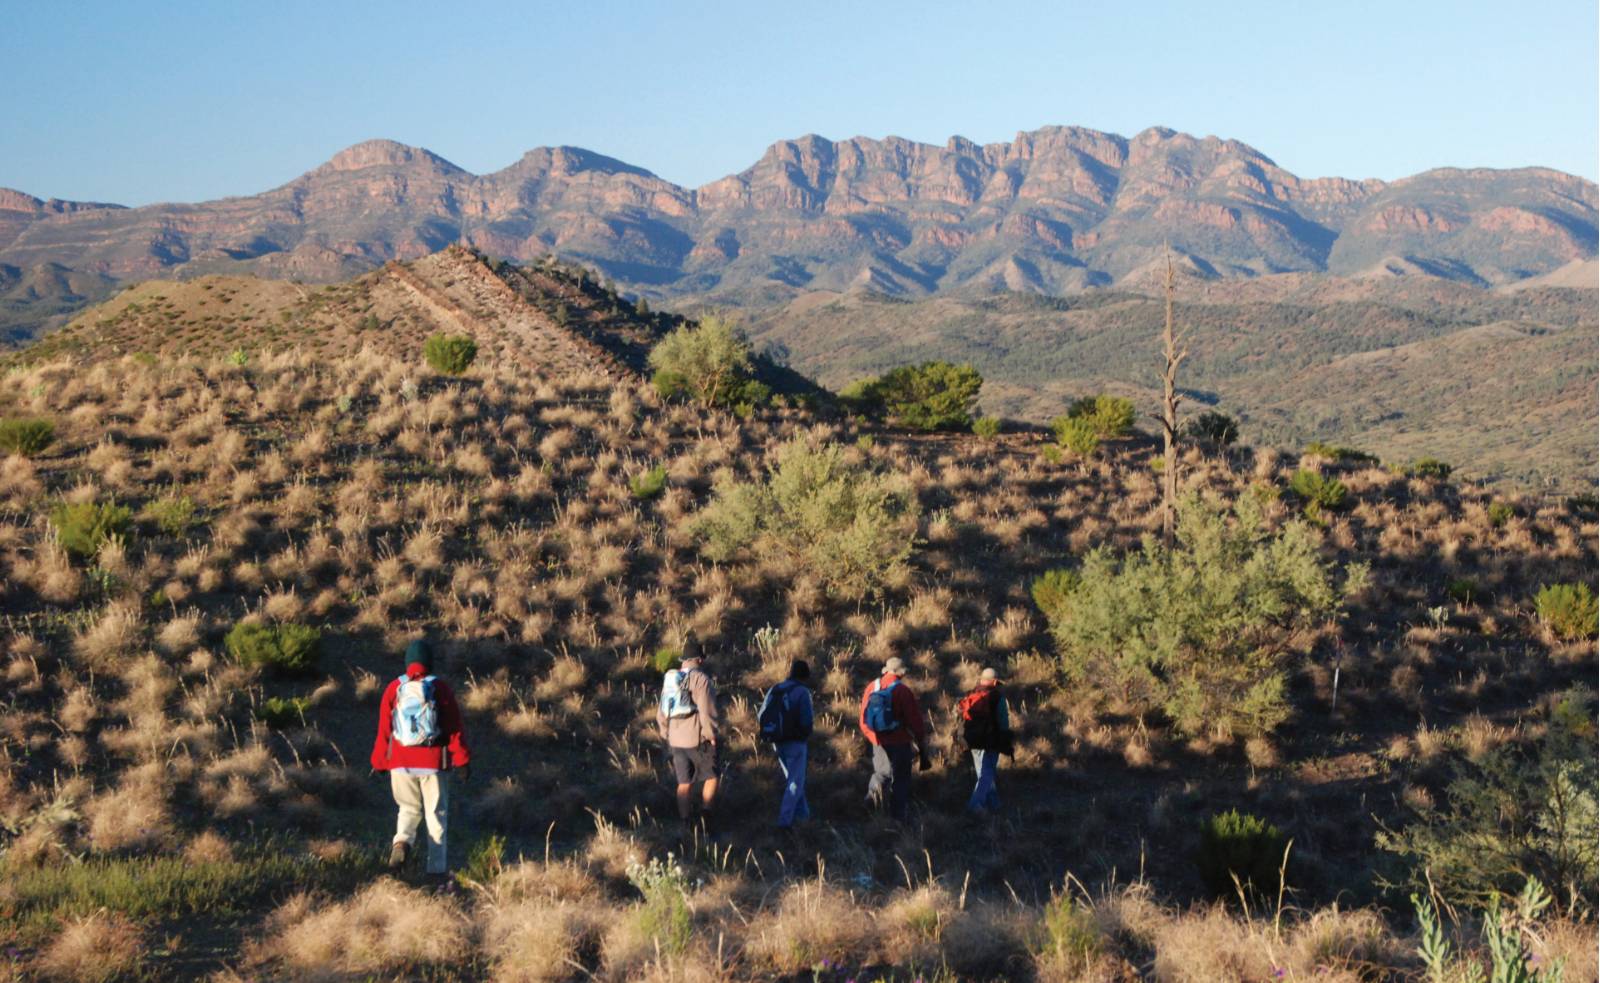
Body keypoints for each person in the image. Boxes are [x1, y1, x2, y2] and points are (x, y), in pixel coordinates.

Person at [370, 639, 471, 877]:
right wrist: (462, 760)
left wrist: (379, 763)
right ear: (429, 662)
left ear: (407, 663)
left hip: (401, 764)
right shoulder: (440, 688)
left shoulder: (394, 689)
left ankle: (401, 844)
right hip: (433, 764)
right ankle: (436, 873)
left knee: (407, 809)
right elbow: (454, 729)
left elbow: (384, 731)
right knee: (436, 817)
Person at [656, 635, 720, 830]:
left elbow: (661, 713)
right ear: (699, 660)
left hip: (675, 740)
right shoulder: (701, 679)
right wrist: (711, 735)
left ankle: (685, 822)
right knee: (712, 776)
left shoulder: (671, 680)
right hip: (696, 738)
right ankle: (705, 817)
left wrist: (666, 733)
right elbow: (706, 711)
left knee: (684, 782)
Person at [858, 656, 930, 821]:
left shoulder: (872, 687)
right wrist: (920, 740)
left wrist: (873, 737)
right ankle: (898, 817)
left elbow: (863, 718)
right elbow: (915, 721)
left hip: (877, 741)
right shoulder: (902, 691)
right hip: (900, 741)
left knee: (881, 774)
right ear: (901, 672)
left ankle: (870, 806)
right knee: (901, 778)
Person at [758, 660, 815, 829]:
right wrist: (804, 734)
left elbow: (761, 714)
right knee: (795, 782)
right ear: (805, 676)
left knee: (794, 779)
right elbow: (807, 720)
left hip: (778, 741)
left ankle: (804, 817)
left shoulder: (776, 688)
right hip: (796, 742)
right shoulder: (802, 692)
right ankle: (785, 823)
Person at [959, 667, 1014, 814]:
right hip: (991, 741)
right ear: (995, 681)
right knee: (987, 774)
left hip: (972, 740)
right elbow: (1003, 722)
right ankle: (975, 805)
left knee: (982, 773)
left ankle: (994, 804)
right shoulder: (997, 698)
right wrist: (1005, 739)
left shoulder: (971, 694)